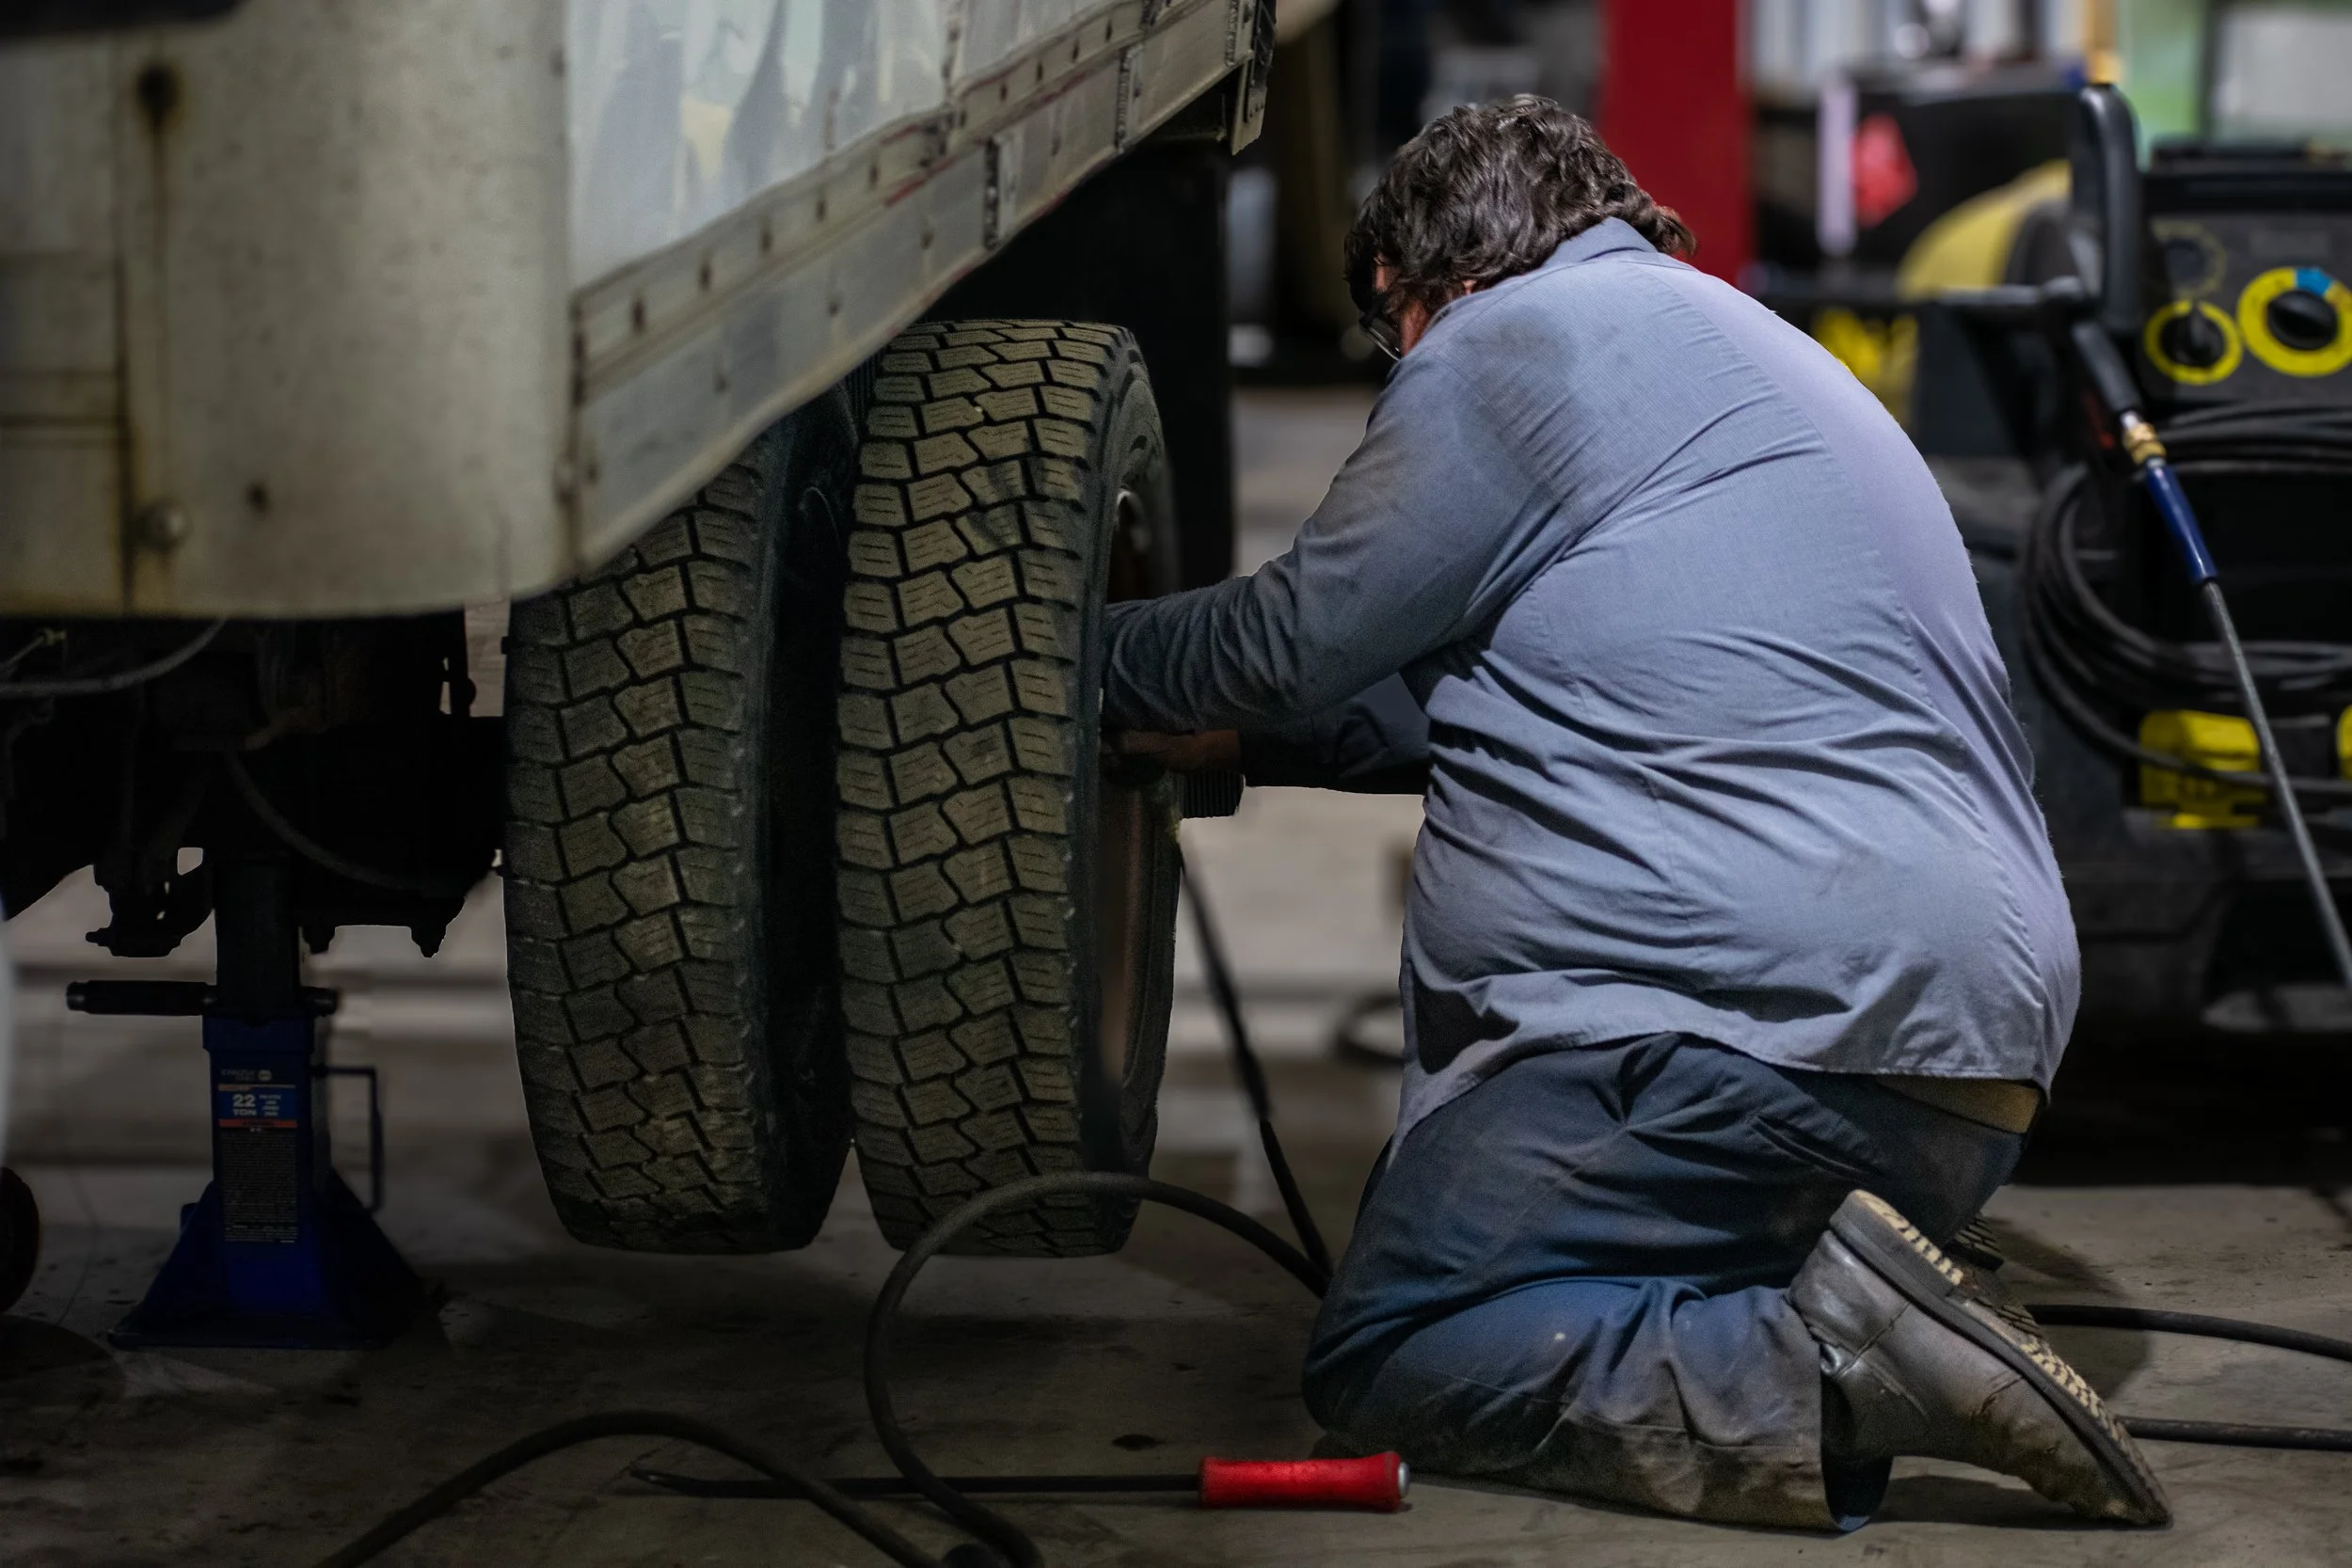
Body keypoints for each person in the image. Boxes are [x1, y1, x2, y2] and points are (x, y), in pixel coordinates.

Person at [1104, 99, 2168, 1531]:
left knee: (1398, 1346)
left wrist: (1074, 656)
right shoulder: (1741, 357)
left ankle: (1830, 1367)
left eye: (1388, 333)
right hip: (1964, 1073)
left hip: (1746, 1040)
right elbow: (1461, 704)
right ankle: (1865, 1300)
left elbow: (1291, 639)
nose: (1395, 373)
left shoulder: (1512, 345)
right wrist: (1234, 744)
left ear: (1440, 286)